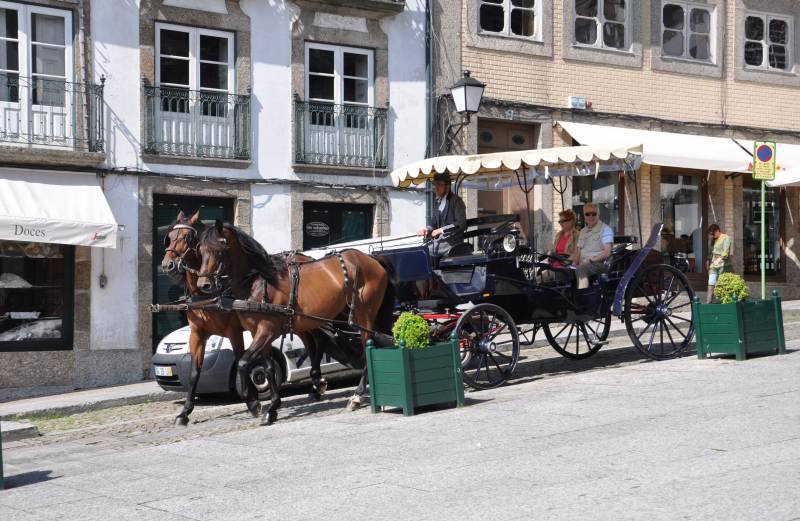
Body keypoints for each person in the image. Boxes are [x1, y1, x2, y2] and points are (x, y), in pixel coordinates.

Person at [417, 172, 467, 258]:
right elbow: (433, 224)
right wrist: (426, 230)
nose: (436, 188)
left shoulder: (457, 202)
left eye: (439, 184)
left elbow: (461, 223)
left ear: (447, 186)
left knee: (424, 251)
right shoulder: (438, 202)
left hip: (453, 242)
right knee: (419, 247)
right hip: (441, 241)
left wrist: (441, 230)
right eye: (435, 184)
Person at [573, 203, 614, 289]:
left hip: (598, 264)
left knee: (581, 268)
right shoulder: (583, 231)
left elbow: (607, 253)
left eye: (593, 214)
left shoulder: (606, 229)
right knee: (563, 271)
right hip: (583, 263)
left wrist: (591, 260)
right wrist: (572, 264)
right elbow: (578, 252)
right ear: (584, 215)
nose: (590, 216)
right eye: (587, 214)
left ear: (598, 214)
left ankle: (583, 298)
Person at [706, 223, 733, 303]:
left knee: (721, 285)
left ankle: (720, 303)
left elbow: (726, 252)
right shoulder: (714, 239)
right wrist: (708, 260)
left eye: (713, 233)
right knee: (711, 284)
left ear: (717, 231)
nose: (712, 235)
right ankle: (708, 303)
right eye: (710, 234)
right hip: (713, 265)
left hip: (723, 265)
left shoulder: (725, 237)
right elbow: (711, 251)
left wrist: (719, 259)